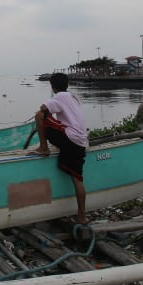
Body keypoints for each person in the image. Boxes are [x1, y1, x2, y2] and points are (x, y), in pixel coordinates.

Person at [29, 72, 90, 224]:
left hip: (70, 137)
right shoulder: (73, 97)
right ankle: (82, 216)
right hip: (81, 141)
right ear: (67, 85)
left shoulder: (60, 96)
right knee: (78, 179)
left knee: (39, 115)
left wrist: (46, 113)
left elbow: (43, 109)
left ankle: (44, 148)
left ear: (52, 86)